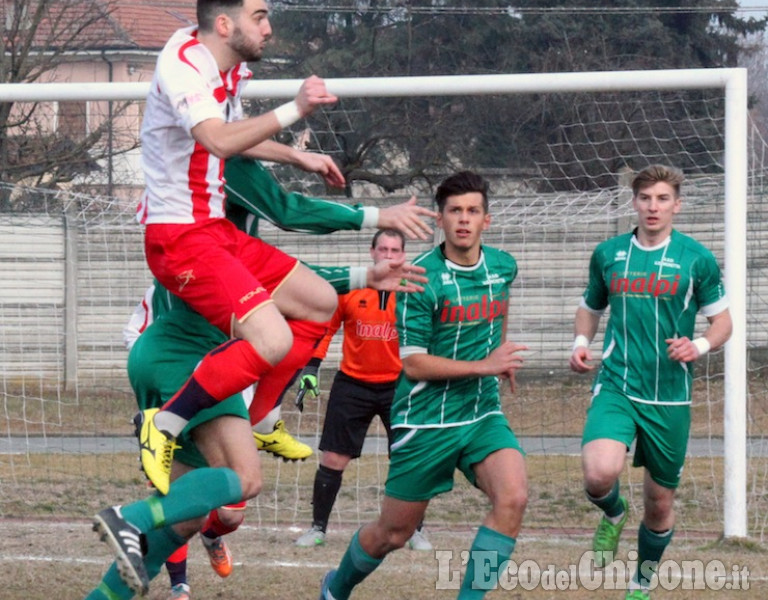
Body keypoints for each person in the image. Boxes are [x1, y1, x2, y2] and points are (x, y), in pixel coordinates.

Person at [111, 157, 433, 600]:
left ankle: (137, 553)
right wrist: (371, 214)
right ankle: (138, 514)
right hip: (186, 359)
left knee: (186, 511)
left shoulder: (200, 229)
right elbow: (287, 209)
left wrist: (365, 275)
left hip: (171, 355)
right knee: (244, 479)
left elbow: (291, 285)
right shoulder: (217, 182)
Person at [133, 0, 351, 497]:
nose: (269, 28)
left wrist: (298, 155)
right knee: (271, 340)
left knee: (320, 302)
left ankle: (258, 418)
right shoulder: (184, 62)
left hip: (213, 231)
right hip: (180, 239)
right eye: (260, 16)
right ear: (225, 23)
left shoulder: (226, 70)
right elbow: (218, 140)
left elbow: (236, 137)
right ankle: (165, 424)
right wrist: (296, 109)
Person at [319, 171, 529, 600]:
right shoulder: (419, 279)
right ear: (440, 219)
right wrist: (485, 365)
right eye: (455, 211)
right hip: (426, 419)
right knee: (392, 534)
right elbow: (413, 364)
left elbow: (499, 308)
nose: (464, 219)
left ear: (487, 220)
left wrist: (501, 352)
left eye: (473, 211)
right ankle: (336, 588)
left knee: (513, 498)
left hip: (482, 414)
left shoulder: (503, 266)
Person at [568, 164, 732, 600]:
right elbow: (589, 306)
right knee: (599, 474)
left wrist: (697, 346)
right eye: (645, 198)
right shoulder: (608, 253)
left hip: (670, 398)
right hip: (618, 383)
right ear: (634, 202)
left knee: (659, 504)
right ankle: (614, 514)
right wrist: (582, 341)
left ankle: (640, 584)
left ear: (676, 205)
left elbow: (723, 322)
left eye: (662, 199)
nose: (653, 207)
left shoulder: (696, 259)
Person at [294, 229, 431, 551]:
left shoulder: (414, 291)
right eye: (382, 248)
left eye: (395, 250)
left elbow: (431, 334)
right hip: (352, 384)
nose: (388, 255)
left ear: (403, 255)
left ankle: (415, 530)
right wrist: (311, 366)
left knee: (409, 458)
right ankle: (317, 529)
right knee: (333, 457)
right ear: (372, 252)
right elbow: (326, 329)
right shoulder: (352, 289)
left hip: (400, 385)